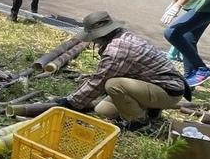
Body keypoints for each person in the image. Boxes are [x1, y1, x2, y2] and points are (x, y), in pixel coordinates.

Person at [55, 11, 189, 127]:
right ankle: (150, 109)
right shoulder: (120, 34)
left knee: (113, 85)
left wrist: (70, 103)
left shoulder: (117, 50)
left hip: (168, 91)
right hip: (154, 84)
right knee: (103, 110)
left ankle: (138, 122)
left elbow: (99, 81)